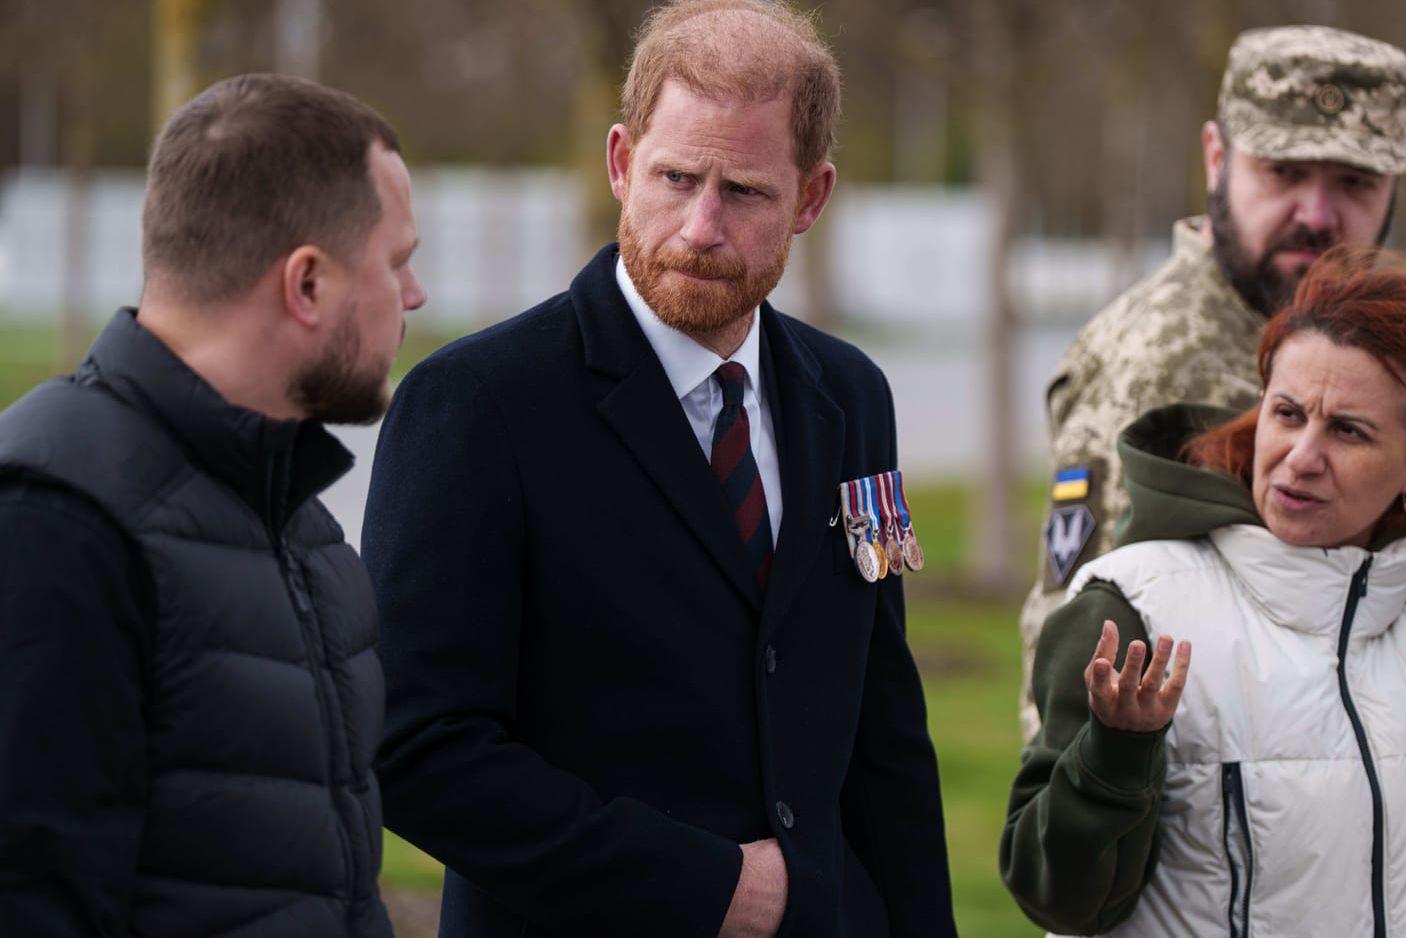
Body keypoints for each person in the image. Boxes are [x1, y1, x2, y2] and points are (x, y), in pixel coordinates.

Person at [362, 1, 956, 936]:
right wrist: (706, 884)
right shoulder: (474, 406)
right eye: (676, 178)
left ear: (811, 198)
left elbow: (885, 726)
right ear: (620, 161)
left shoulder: (853, 399)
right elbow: (415, 749)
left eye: (745, 192)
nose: (700, 227)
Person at [0, 74, 424, 936]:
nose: (413, 295)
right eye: (395, 262)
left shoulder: (299, 524)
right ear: (307, 284)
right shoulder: (53, 519)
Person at [1001, 247, 1406, 936]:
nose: (1302, 457)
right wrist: (1113, 759)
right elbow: (1055, 896)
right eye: (1288, 413)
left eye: (1348, 430)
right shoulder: (1132, 604)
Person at [1017, 25, 1406, 739]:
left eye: (1355, 182)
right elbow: (1078, 661)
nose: (1318, 214)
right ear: (1216, 158)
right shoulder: (1152, 362)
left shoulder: (1402, 351)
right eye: (1283, 172)